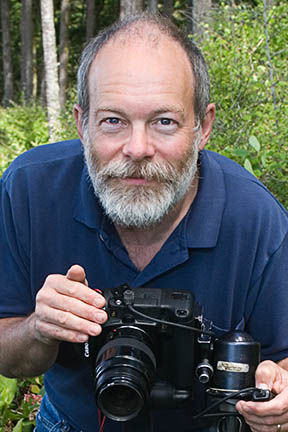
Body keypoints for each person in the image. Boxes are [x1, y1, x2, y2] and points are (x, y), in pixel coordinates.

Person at [0, 12, 288, 432]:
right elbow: (7, 351)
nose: (138, 148)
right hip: (73, 421)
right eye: (113, 121)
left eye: (164, 122)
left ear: (202, 127)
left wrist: (278, 397)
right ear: (82, 124)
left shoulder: (255, 220)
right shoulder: (28, 191)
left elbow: (283, 359)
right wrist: (39, 329)